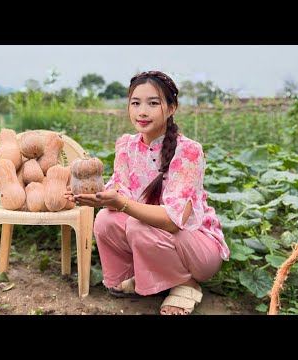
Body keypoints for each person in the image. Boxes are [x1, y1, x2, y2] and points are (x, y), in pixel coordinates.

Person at [64, 71, 229, 315]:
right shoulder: (126, 145)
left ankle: (186, 284)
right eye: (135, 103)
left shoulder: (189, 151)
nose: (142, 111)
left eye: (153, 103)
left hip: (198, 249)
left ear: (171, 108)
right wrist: (97, 198)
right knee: (106, 220)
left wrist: (122, 204)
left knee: (138, 225)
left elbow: (173, 222)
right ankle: (141, 277)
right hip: (153, 236)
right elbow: (119, 188)